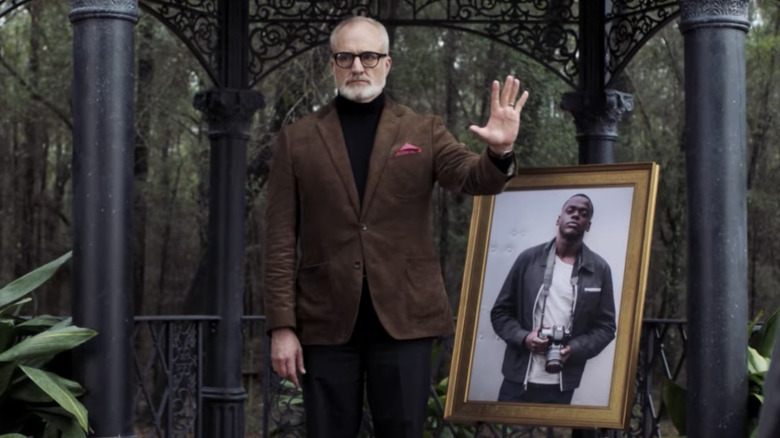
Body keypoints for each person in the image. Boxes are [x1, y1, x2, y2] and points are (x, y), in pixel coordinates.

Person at [262, 15, 529, 438]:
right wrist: (282, 326)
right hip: (324, 322)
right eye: (345, 56)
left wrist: (500, 151)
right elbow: (278, 239)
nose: (357, 66)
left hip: (406, 319)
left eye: (368, 56)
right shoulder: (297, 139)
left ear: (387, 63)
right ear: (332, 64)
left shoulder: (422, 129)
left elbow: (471, 178)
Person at [490, 194, 616, 404]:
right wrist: (524, 338)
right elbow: (500, 313)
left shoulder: (599, 269)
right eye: (571, 210)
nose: (576, 215)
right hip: (517, 377)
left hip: (562, 382)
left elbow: (606, 327)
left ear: (588, 226)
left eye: (583, 214)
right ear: (559, 218)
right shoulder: (528, 259)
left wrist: (573, 349)